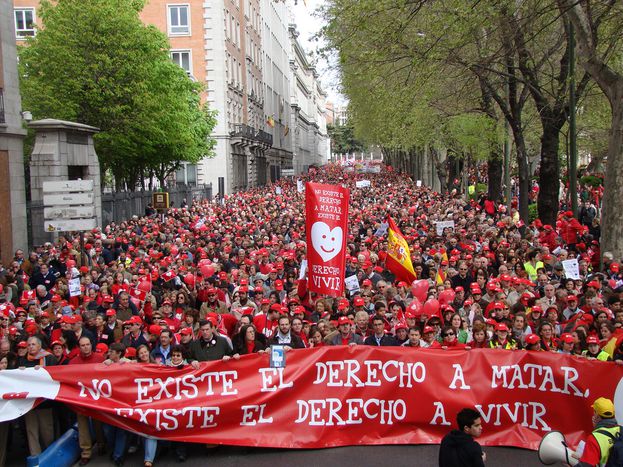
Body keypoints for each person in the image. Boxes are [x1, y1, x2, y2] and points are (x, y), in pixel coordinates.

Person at [575, 397, 620, 467]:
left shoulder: (594, 439)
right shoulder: (621, 430)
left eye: (594, 412)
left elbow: (586, 465)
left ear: (597, 416)